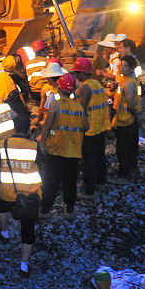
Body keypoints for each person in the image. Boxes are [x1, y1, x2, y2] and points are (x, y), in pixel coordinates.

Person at [38, 73, 87, 218]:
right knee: (70, 181)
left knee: (50, 181)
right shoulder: (78, 108)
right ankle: (69, 209)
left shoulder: (55, 105)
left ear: (59, 89)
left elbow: (47, 127)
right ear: (72, 91)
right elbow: (86, 126)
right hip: (73, 152)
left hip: (56, 150)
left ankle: (45, 210)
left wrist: (43, 141)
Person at [0, 126, 42, 276]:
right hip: (29, 195)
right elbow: (41, 164)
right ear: (28, 131)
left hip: (8, 191)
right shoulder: (34, 146)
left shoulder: (3, 144)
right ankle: (24, 266)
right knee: (28, 230)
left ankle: (4, 232)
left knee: (1, 207)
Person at [75, 56, 111, 194]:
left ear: (84, 73)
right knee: (99, 156)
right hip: (99, 128)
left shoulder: (85, 88)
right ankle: (101, 181)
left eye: (77, 72)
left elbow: (81, 110)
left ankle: (89, 189)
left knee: (88, 160)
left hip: (89, 129)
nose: (76, 75)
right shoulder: (97, 84)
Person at [111, 57, 141, 179]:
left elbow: (129, 105)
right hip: (124, 119)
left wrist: (135, 116)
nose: (121, 67)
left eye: (125, 66)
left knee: (123, 148)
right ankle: (131, 169)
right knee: (129, 146)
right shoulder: (127, 80)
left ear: (131, 68)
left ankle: (125, 173)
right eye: (121, 65)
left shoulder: (129, 84)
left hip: (126, 121)